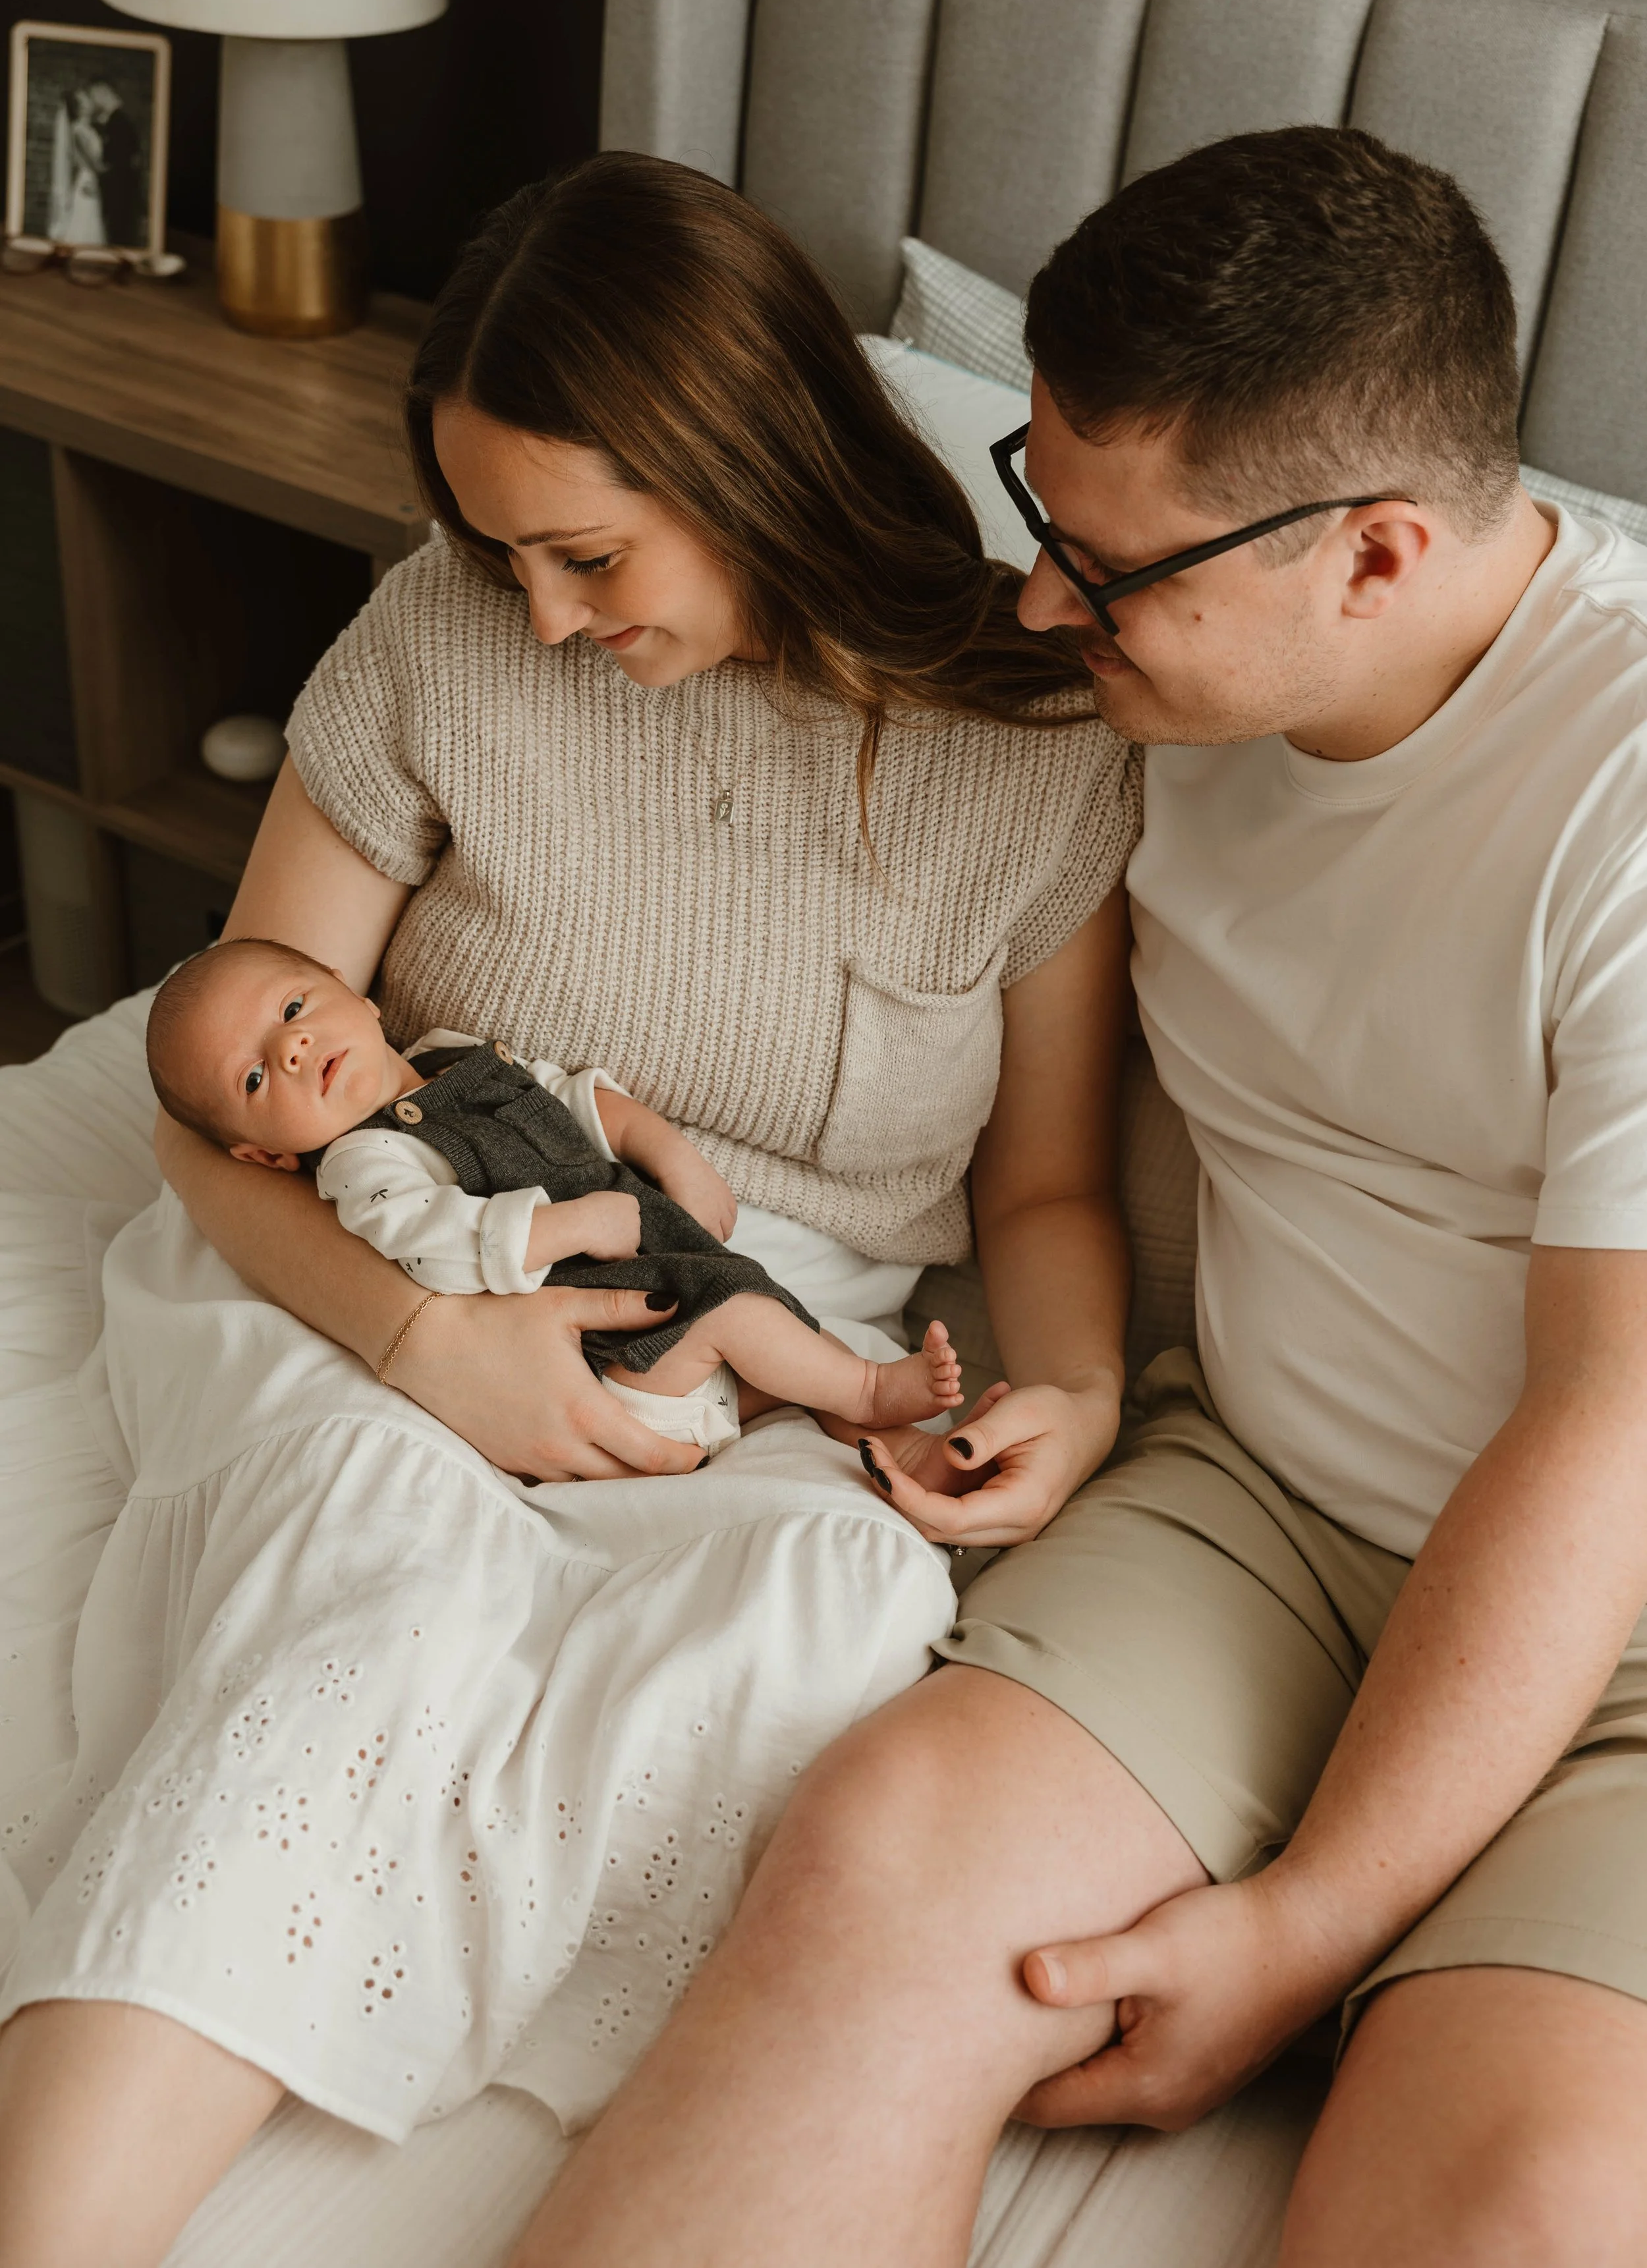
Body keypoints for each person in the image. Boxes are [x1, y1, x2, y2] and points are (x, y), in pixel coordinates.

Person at [520, 126, 1647, 2268]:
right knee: (873, 1878)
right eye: (1041, 502)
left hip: (1626, 1607)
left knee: (1529, 2209)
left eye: (1111, 566)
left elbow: (1612, 1428)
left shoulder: (1628, 806)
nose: (1045, 599)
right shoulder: (1135, 687)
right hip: (1261, 1507)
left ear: (1379, 555)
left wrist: (1310, 1926)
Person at [0, 153, 1138, 2265]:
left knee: (815, 1623)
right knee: (382, 1591)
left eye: (583, 551)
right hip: (376, 1239)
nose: (536, 611)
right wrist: (425, 1338)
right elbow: (213, 1085)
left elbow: (1048, 1184)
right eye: (497, 550)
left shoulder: (1035, 736)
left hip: (743, 1343)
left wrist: (1065, 1383)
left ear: (752, 463)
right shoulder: (445, 633)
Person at [144, 935, 964, 1456]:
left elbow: (565, 1098)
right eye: (254, 1076)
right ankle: (866, 1389)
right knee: (744, 1315)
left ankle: (883, 1439)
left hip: (659, 1275)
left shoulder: (448, 1057)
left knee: (771, 1323)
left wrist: (665, 1148)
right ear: (264, 1155)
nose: (291, 1047)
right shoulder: (362, 1164)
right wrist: (570, 1221)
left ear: (355, 994)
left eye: (294, 1008)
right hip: (608, 1359)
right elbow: (439, 1243)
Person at [45, 86, 105, 246]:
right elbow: (93, 162)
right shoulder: (78, 130)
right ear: (80, 108)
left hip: (91, 178)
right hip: (88, 179)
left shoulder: (88, 128)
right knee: (86, 217)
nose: (89, 102)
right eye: (85, 100)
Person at [90, 80, 144, 251]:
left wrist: (101, 172)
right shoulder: (118, 120)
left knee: (119, 232)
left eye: (94, 96)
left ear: (104, 92)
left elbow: (118, 160)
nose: (94, 101)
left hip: (119, 190)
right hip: (122, 188)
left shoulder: (118, 122)